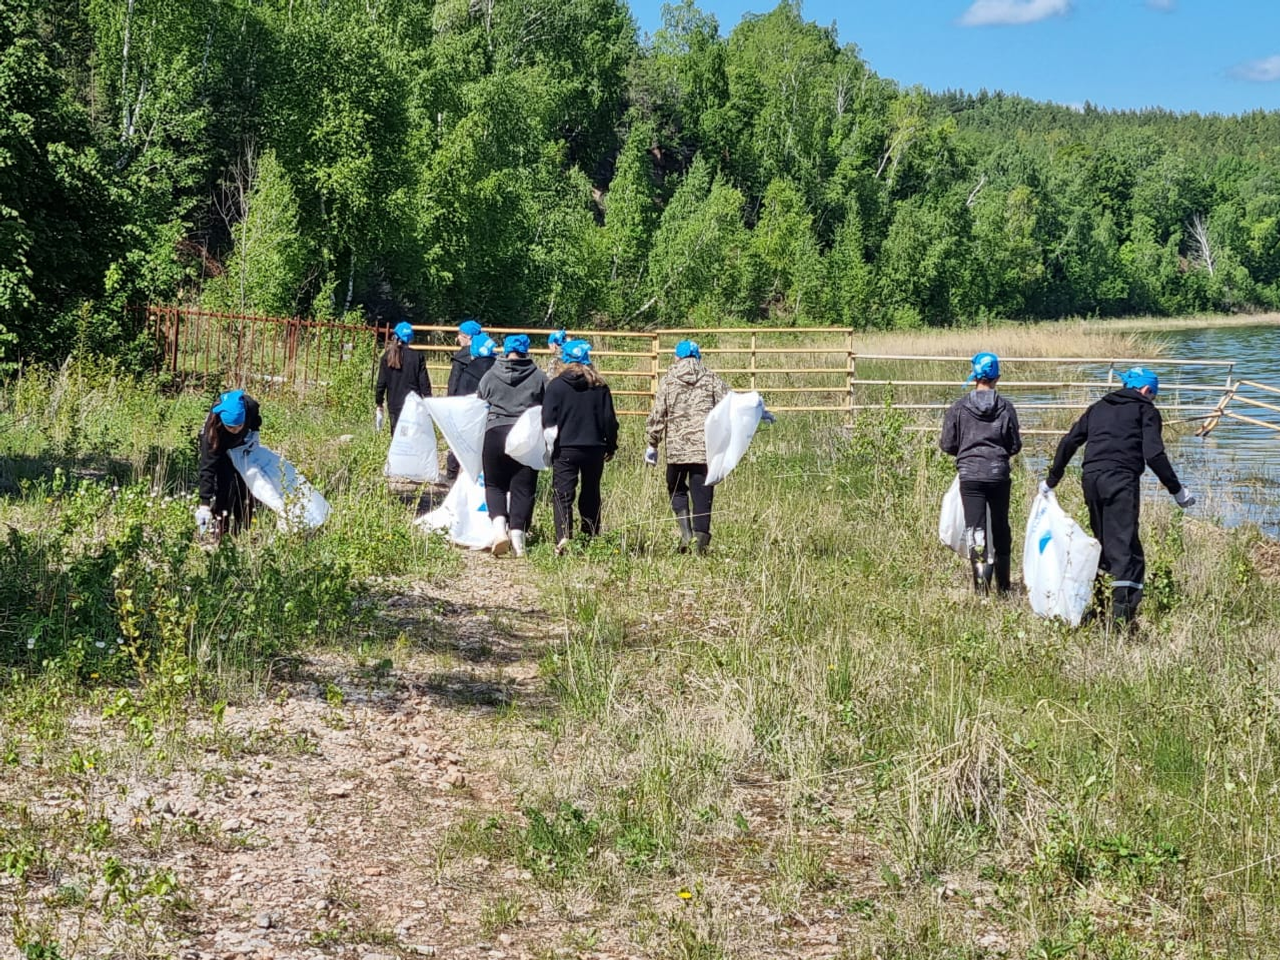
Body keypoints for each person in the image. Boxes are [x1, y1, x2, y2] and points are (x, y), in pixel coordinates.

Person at [1043, 366, 1196, 626]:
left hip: (1091, 479)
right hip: (1120, 479)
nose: (1153, 400)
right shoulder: (1145, 410)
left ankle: (1101, 607)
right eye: (1154, 395)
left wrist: (1051, 480)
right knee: (1125, 549)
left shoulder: (1098, 407)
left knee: (1103, 542)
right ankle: (1121, 619)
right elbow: (1154, 455)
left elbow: (1069, 441)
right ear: (1147, 391)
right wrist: (1177, 490)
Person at [940, 352, 1023, 595]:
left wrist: (965, 452)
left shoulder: (958, 408)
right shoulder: (1006, 407)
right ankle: (1005, 588)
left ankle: (981, 590)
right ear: (997, 377)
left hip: (970, 475)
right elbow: (1015, 445)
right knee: (1000, 526)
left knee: (975, 529)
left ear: (975, 376)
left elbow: (947, 444)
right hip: (998, 473)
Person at [644, 340, 729, 554]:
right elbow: (728, 405)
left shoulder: (669, 380)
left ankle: (686, 534)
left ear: (677, 357)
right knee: (702, 494)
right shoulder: (711, 378)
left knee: (676, 488)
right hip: (704, 448)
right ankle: (700, 545)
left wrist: (652, 443)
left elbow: (658, 413)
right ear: (698, 356)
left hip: (677, 449)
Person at [542, 340, 619, 554]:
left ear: (564, 359)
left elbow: (547, 420)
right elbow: (609, 420)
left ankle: (564, 538)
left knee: (563, 494)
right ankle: (591, 536)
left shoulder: (556, 386)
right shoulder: (600, 386)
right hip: (594, 448)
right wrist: (610, 445)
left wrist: (549, 448)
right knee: (591, 492)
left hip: (565, 447)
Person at [477, 334, 547, 557]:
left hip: (494, 432)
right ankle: (518, 539)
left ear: (506, 350)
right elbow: (548, 404)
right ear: (527, 351)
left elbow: (479, 402)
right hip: (525, 435)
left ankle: (499, 530)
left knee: (494, 484)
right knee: (523, 487)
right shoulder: (538, 376)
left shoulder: (490, 374)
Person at [196, 389, 263, 539]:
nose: (236, 430)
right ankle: (221, 531)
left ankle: (243, 529)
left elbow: (256, 420)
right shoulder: (211, 435)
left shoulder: (250, 406)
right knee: (224, 485)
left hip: (242, 446)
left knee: (245, 484)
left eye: (239, 426)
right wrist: (204, 503)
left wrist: (254, 433)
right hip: (221, 445)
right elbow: (207, 469)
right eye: (231, 427)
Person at [375, 321, 431, 433]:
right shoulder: (417, 357)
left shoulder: (386, 357)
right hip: (413, 403)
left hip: (394, 404)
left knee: (397, 435)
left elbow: (381, 384)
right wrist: (429, 400)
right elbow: (424, 383)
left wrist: (379, 403)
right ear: (410, 338)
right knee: (412, 434)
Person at [445, 319, 484, 482]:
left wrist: (449, 403)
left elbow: (453, 382)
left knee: (457, 438)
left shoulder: (460, 358)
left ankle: (452, 473)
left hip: (461, 402)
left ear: (467, 337)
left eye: (459, 335)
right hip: (479, 402)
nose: (457, 339)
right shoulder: (485, 356)